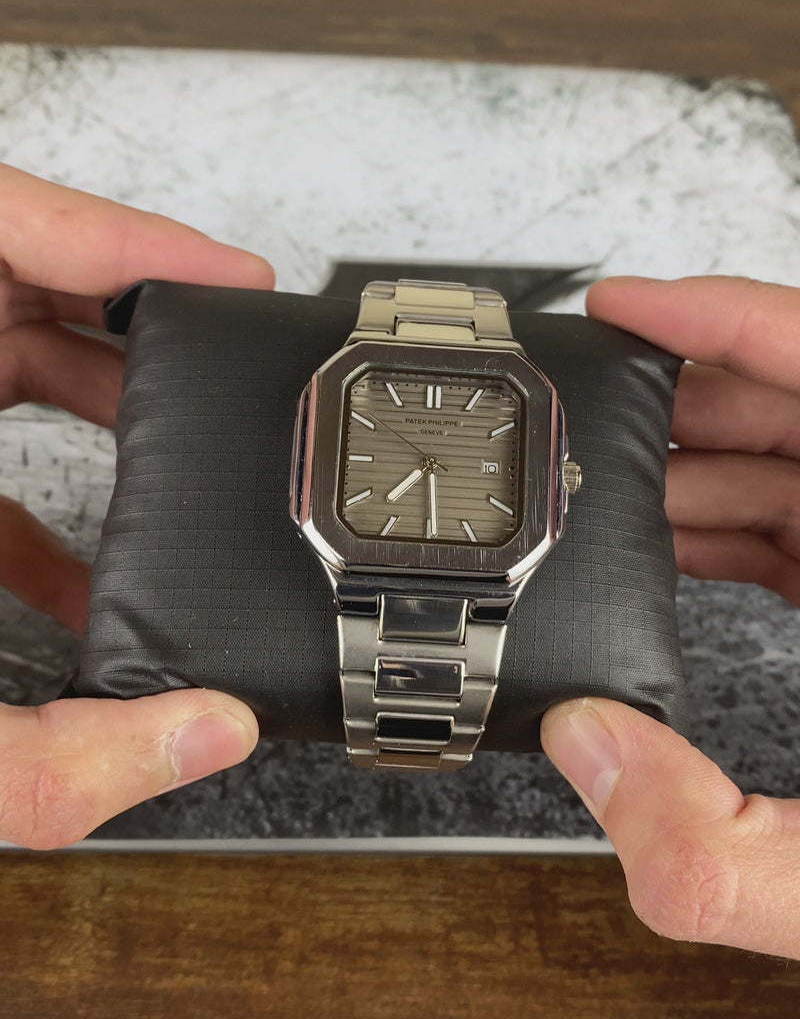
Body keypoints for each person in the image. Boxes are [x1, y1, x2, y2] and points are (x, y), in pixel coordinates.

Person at [1, 164, 798, 961]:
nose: (429, 466)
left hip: (485, 568)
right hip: (350, 555)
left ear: (561, 482)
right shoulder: (339, 441)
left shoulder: (538, 477)